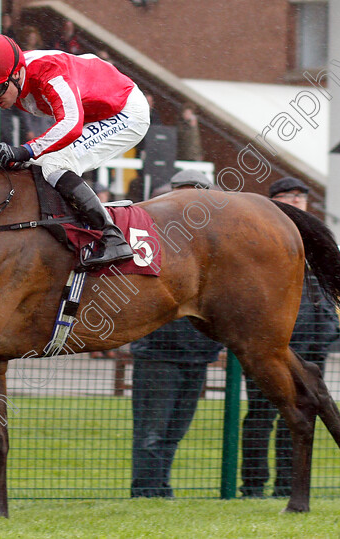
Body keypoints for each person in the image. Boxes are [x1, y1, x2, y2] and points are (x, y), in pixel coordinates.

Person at [0, 34, 150, 269]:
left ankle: (112, 238)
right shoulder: (6, 80)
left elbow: (71, 123)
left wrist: (24, 150)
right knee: (39, 162)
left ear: (16, 74)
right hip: (94, 111)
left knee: (52, 163)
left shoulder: (48, 72)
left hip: (125, 112)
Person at [239, 176, 340, 498]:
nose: (296, 201)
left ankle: (287, 486)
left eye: (301, 196)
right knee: (261, 412)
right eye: (288, 196)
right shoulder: (259, 236)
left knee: (302, 412)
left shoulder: (317, 235)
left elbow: (332, 283)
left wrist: (329, 325)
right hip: (268, 340)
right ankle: (252, 486)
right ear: (273, 201)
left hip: (312, 337)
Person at [131, 170, 223, 498]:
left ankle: (160, 489)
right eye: (186, 193)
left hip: (197, 354)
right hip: (158, 353)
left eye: (197, 193)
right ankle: (146, 492)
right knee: (152, 432)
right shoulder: (149, 235)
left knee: (173, 432)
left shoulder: (213, 242)